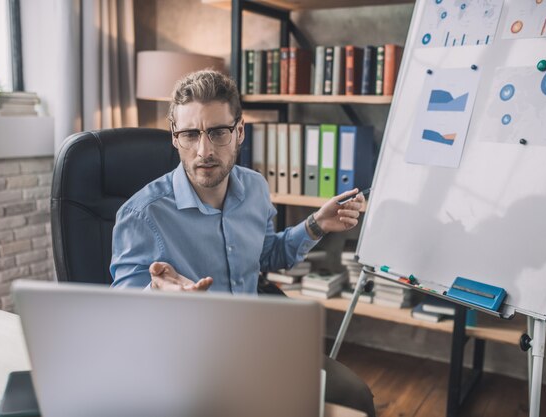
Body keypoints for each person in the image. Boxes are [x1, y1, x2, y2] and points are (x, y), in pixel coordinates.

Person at [110, 69, 375, 416]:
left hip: (254, 344)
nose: (204, 150)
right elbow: (119, 315)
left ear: (239, 132)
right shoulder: (142, 214)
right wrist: (156, 296)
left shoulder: (255, 188)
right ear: (175, 138)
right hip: (187, 363)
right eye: (190, 134)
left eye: (218, 132)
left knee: (354, 397)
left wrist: (315, 225)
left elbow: (265, 254)